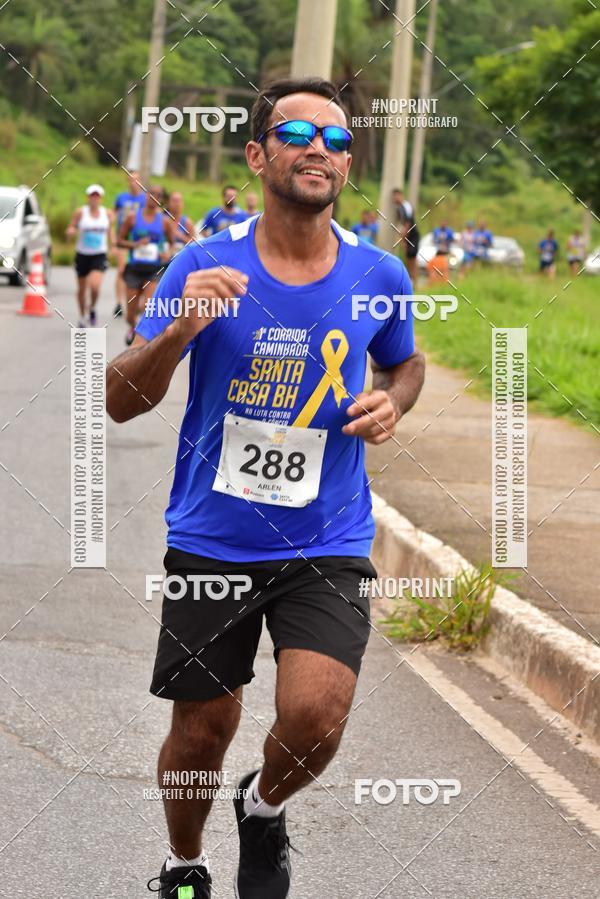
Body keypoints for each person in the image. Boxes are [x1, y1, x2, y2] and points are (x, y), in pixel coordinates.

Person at [106, 75, 424, 899]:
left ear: (347, 166)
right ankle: (184, 864)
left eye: (339, 139)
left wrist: (394, 399)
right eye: (298, 133)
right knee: (203, 728)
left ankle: (264, 803)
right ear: (257, 154)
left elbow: (406, 358)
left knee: (318, 713)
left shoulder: (380, 273)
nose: (320, 147)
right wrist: (177, 328)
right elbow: (119, 399)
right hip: (215, 536)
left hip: (329, 534)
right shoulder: (204, 263)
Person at [117, 185, 170, 345]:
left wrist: (165, 253)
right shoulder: (132, 217)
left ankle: (143, 339)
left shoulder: (165, 222)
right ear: (146, 195)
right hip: (134, 269)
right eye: (151, 193)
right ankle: (132, 327)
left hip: (153, 270)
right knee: (130, 313)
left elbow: (171, 244)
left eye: (158, 195)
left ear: (160, 200)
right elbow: (119, 241)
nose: (154, 197)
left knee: (148, 305)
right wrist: (135, 245)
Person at [65, 184, 114, 327]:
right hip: (82, 254)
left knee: (95, 286)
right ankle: (82, 316)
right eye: (92, 196)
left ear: (101, 198)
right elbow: (72, 226)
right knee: (81, 289)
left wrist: (114, 246)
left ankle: (92, 308)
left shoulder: (107, 214)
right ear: (88, 198)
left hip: (99, 254)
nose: (94, 199)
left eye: (97, 196)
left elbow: (110, 232)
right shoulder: (81, 212)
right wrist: (70, 231)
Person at [113, 170, 145, 317]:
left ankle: (138, 302)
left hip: (139, 241)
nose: (133, 183)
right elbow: (112, 218)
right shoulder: (121, 198)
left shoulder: (145, 199)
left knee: (141, 271)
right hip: (123, 240)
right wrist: (113, 239)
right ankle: (119, 303)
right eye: (131, 180)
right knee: (121, 270)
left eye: (136, 180)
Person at [166, 191, 197, 260]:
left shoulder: (187, 222)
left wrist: (180, 236)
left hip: (180, 257)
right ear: (168, 203)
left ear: (183, 204)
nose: (177, 204)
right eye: (174, 201)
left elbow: (194, 244)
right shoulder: (163, 220)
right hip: (164, 257)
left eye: (179, 201)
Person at [402, 213, 420, 282]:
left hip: (412, 241)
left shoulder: (408, 219)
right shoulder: (410, 219)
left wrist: (403, 242)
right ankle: (413, 281)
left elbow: (405, 232)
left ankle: (413, 280)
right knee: (412, 262)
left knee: (411, 262)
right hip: (413, 240)